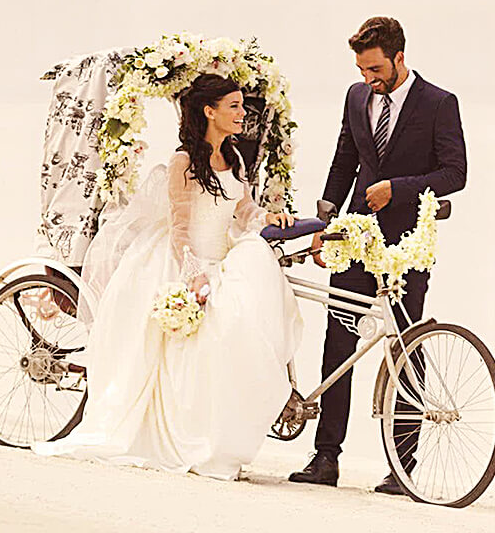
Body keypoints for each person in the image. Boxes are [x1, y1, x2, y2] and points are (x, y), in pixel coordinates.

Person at [33, 74, 305, 480]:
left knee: (243, 323)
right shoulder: (183, 163)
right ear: (208, 111)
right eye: (233, 106)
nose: (241, 113)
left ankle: (224, 432)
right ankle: (191, 435)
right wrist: (193, 275)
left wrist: (269, 216)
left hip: (223, 256)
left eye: (241, 105)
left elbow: (243, 211)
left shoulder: (235, 158)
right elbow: (180, 228)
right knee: (204, 336)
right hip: (183, 258)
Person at [289, 16, 467, 494]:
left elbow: (455, 173)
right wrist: (325, 224)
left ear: (399, 58)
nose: (368, 77)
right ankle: (326, 458)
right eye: (361, 68)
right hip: (353, 236)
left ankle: (403, 466)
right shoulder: (355, 96)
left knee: (405, 347)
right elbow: (345, 158)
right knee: (337, 342)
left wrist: (400, 189)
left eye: (375, 68)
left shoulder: (439, 104)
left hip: (408, 245)